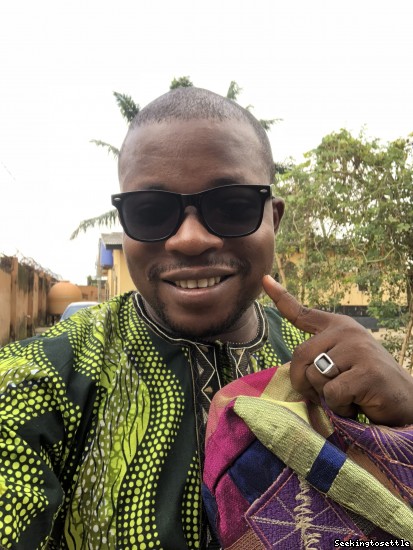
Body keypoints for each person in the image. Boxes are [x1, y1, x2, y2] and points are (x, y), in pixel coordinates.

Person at [0, 87, 412, 549]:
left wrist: (406, 425)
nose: (190, 239)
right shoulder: (34, 381)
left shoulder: (337, 366)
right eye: (151, 211)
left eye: (231, 206)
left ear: (274, 219)